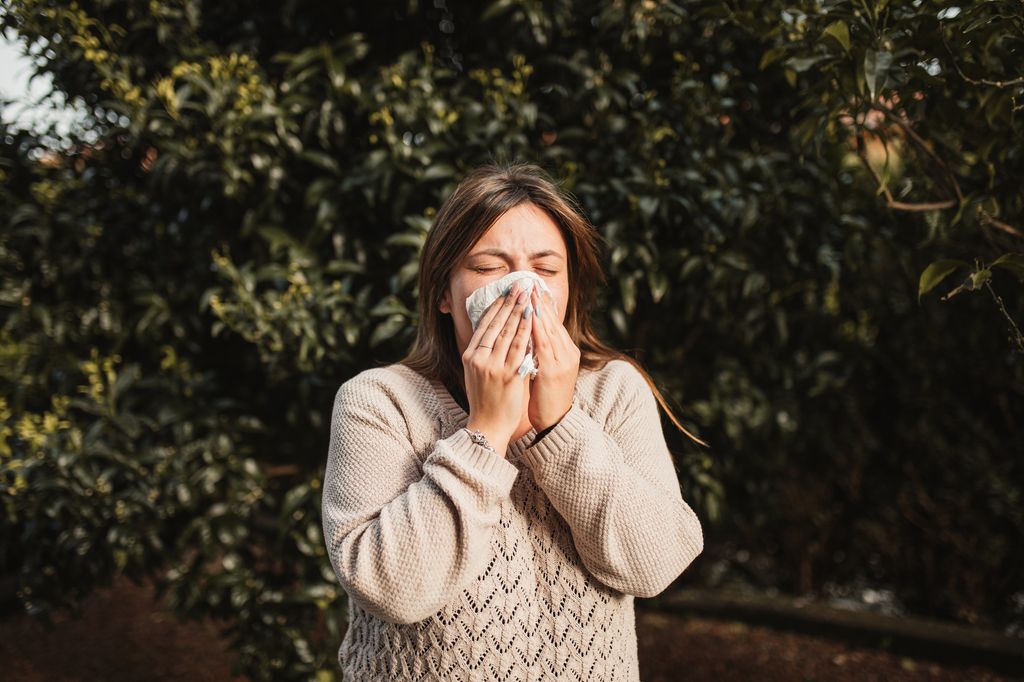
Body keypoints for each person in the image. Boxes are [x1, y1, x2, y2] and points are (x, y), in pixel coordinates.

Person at [321, 162, 706, 680]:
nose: (521, 289)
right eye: (488, 267)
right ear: (443, 292)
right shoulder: (378, 401)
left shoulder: (614, 390)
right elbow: (394, 589)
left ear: (569, 288)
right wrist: (486, 433)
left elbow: (654, 564)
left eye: (544, 270)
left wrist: (557, 426)